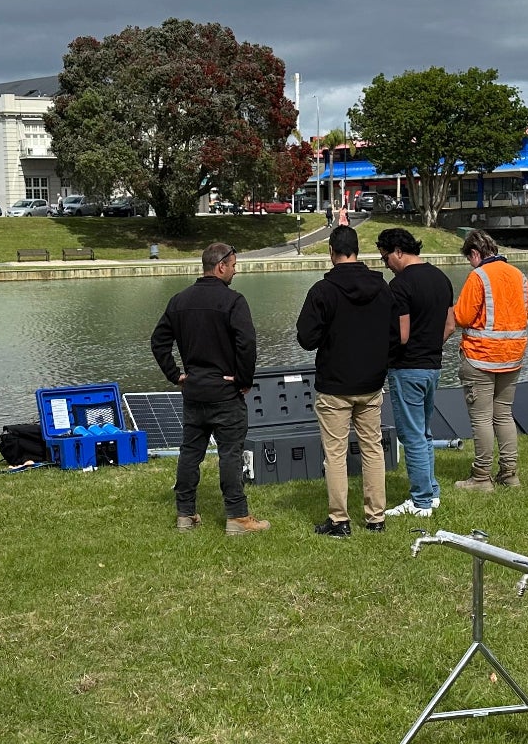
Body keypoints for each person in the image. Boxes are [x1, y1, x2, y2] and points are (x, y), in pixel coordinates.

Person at [150, 242, 269, 535]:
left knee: (190, 453)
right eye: (234, 266)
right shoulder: (233, 301)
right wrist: (243, 380)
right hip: (225, 392)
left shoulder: (179, 301)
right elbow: (247, 343)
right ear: (220, 266)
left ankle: (185, 514)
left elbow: (158, 342)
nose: (235, 271)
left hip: (194, 391)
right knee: (230, 453)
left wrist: (176, 375)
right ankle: (237, 517)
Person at [294, 224, 393, 537]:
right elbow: (393, 333)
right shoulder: (382, 287)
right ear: (357, 251)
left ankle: (339, 520)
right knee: (372, 449)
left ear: (331, 252)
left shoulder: (323, 291)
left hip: (335, 383)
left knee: (335, 454)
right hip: (372, 382)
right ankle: (376, 518)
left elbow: (306, 338)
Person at [377, 225, 454, 516]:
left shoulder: (400, 285)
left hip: (407, 368)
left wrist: (382, 355)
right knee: (424, 432)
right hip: (433, 366)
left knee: (411, 436)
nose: (386, 264)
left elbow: (403, 334)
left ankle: (421, 500)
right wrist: (430, 346)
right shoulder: (441, 278)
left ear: (398, 252)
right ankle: (431, 491)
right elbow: (450, 325)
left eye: (385, 258)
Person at [450, 229, 528, 489]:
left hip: (480, 357)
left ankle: (481, 476)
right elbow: (526, 314)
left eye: (469, 259)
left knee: (482, 418)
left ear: (475, 253)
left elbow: (462, 316)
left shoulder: (479, 276)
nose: (470, 264)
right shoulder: (519, 276)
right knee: (504, 414)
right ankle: (509, 473)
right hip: (512, 356)